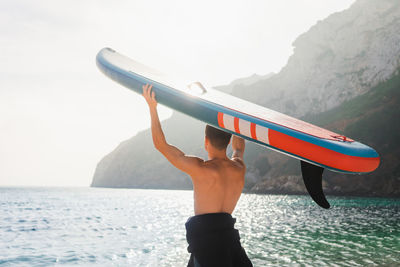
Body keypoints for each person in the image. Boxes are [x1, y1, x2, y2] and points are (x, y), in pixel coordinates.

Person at [142, 83, 253, 267]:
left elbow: (161, 145)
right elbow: (239, 148)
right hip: (231, 247)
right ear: (227, 141)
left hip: (208, 251)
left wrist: (152, 108)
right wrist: (234, 123)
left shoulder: (200, 168)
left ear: (206, 141)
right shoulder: (239, 166)